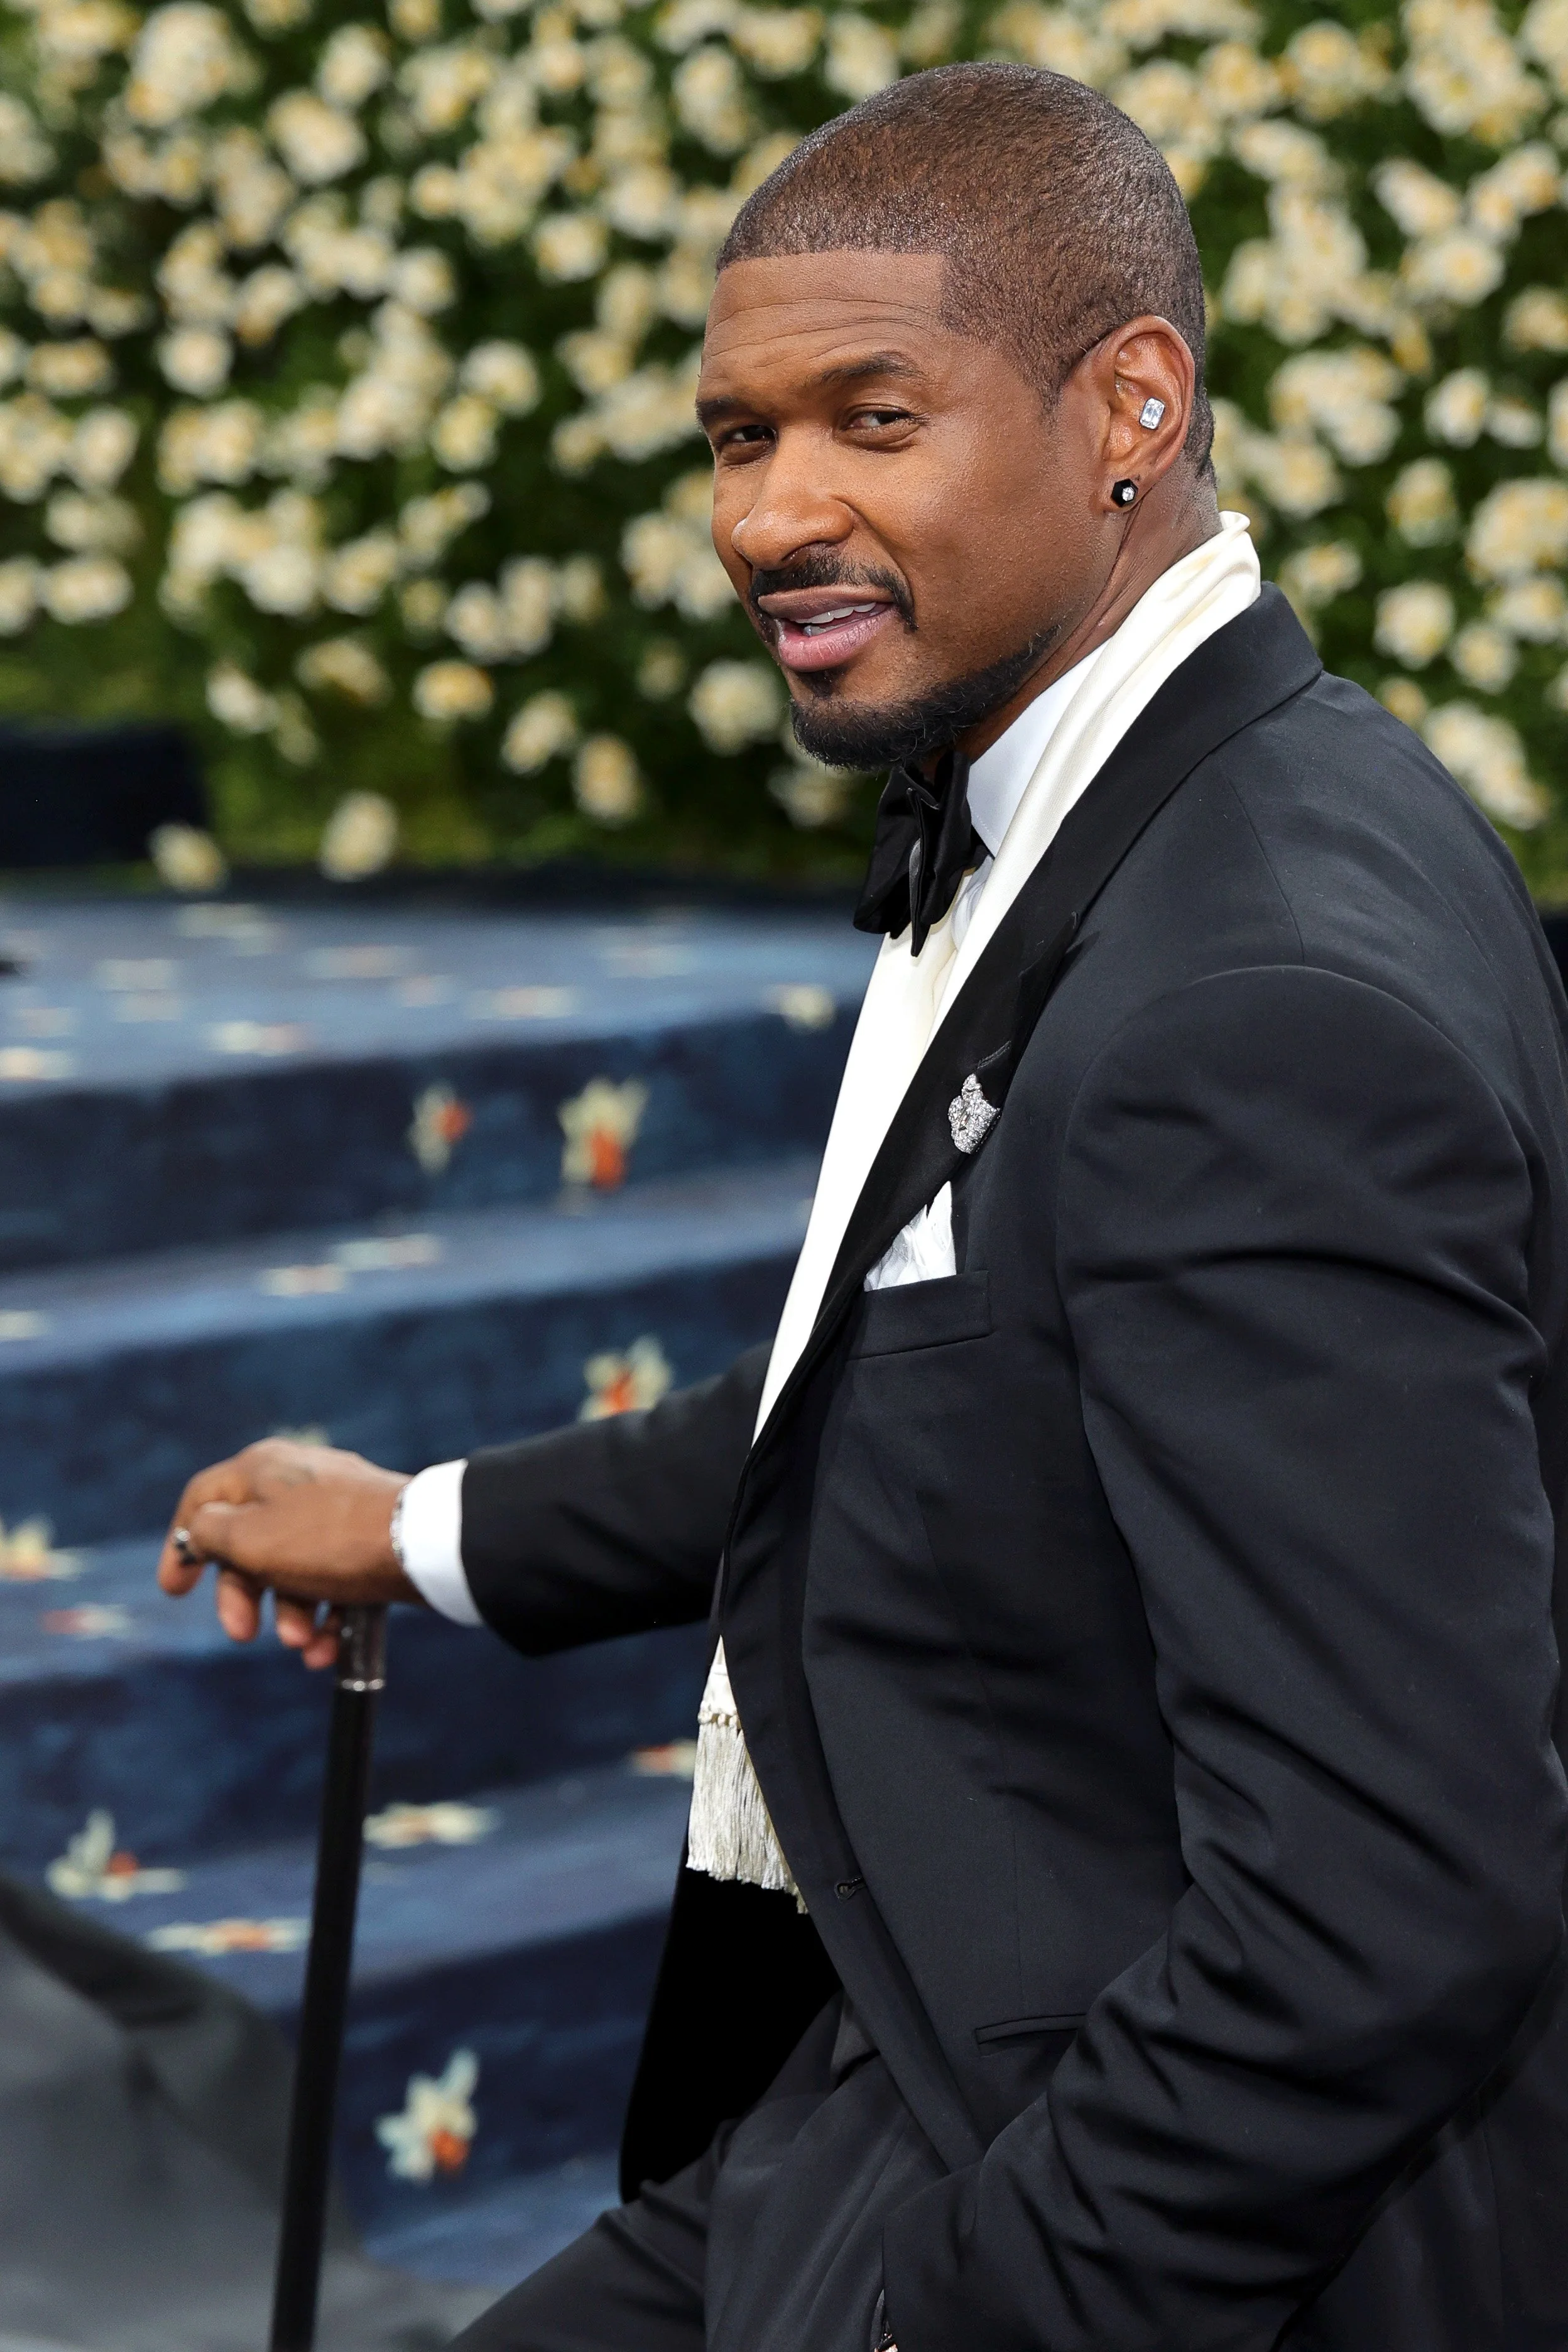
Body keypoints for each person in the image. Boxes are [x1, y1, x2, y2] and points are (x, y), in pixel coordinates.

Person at [160, 60, 1568, 2352]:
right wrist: (422, 1527)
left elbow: (1392, 1902)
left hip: (1118, 2214)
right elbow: (925, 1368)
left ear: (1131, 405)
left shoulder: (1256, 993)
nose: (772, 512)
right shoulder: (1161, 797)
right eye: (737, 438)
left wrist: (956, 2313)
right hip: (902, 2090)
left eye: (869, 421)